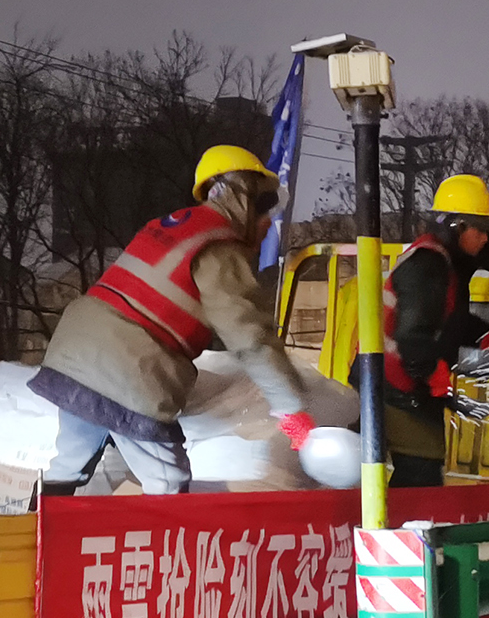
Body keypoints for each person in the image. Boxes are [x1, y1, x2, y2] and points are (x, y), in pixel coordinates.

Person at [33, 144, 313, 494]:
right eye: (266, 204)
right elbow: (248, 336)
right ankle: (154, 549)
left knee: (68, 465)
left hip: (74, 357)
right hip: (127, 369)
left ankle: (30, 539)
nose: (268, 220)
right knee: (167, 481)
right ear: (246, 195)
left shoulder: (173, 227)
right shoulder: (220, 246)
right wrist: (291, 408)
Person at [381, 173, 489, 488]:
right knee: (419, 475)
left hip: (402, 384)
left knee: (421, 472)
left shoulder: (445, 262)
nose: (486, 238)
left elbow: (449, 322)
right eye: (481, 229)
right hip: (396, 386)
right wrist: (439, 383)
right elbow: (413, 338)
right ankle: (401, 536)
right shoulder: (428, 265)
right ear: (457, 226)